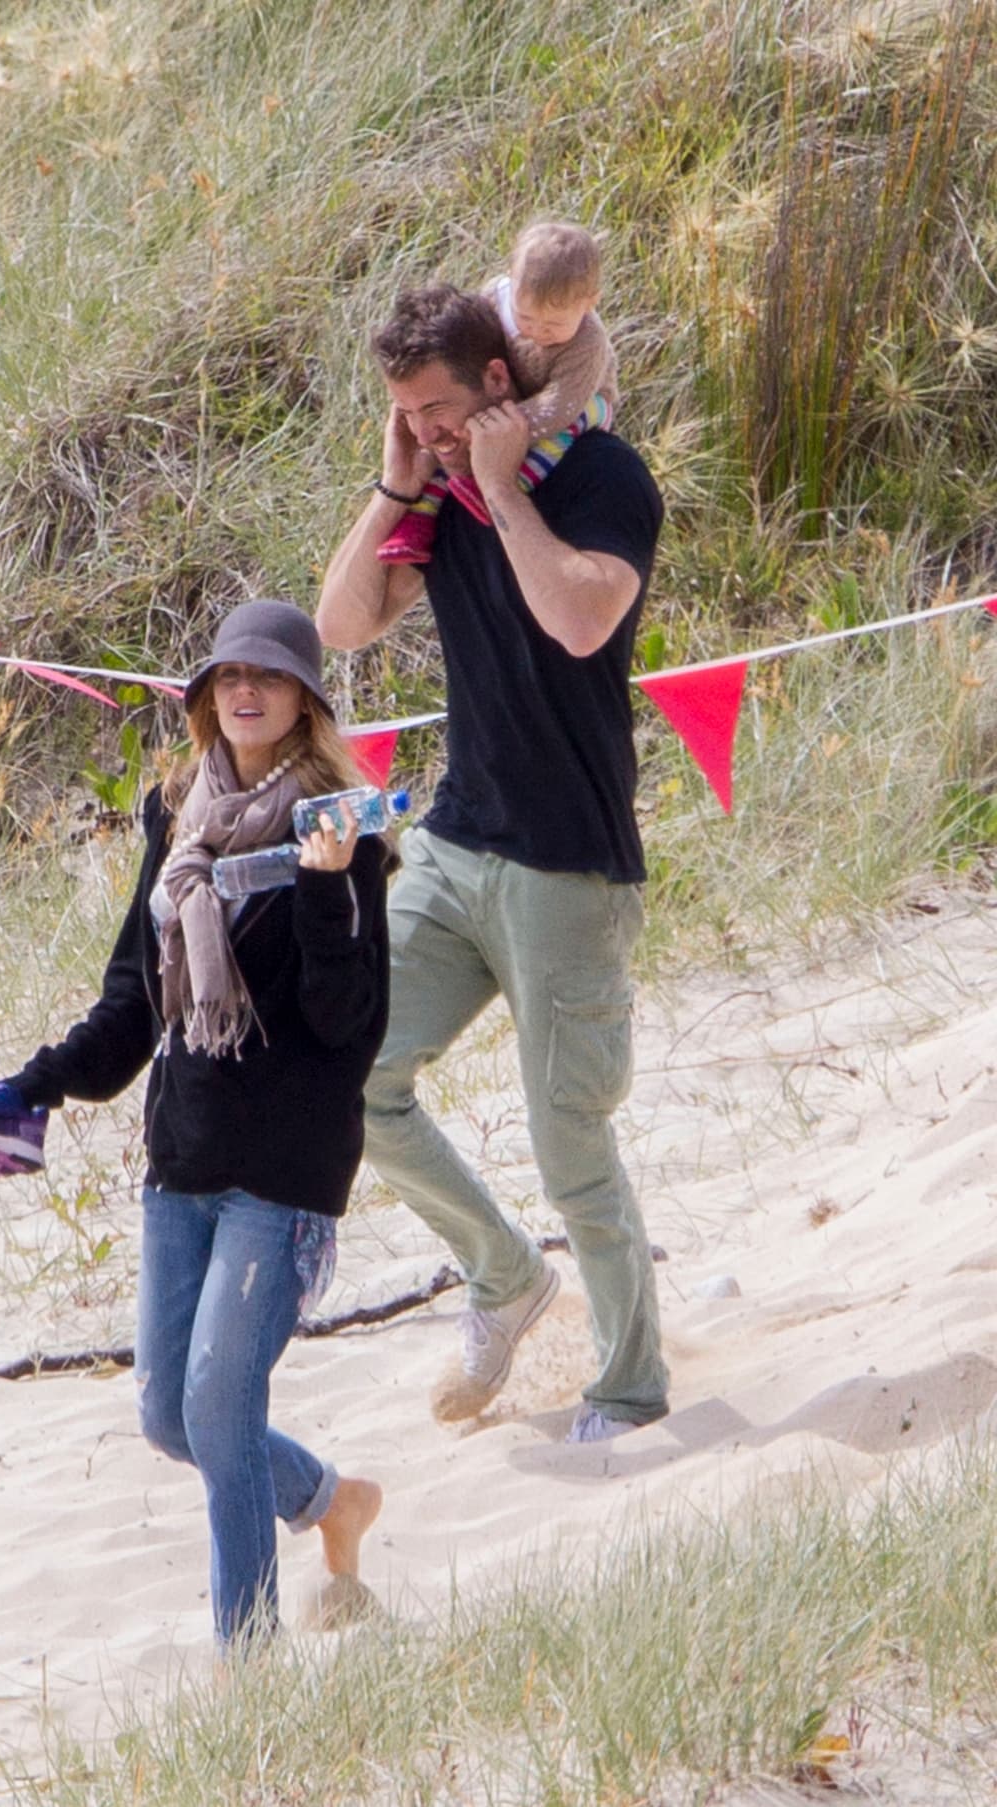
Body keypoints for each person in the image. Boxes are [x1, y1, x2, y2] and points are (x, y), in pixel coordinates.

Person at [0, 600, 391, 1653]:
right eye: (223, 677)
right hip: (184, 1156)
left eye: (266, 675)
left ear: (303, 699)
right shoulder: (180, 816)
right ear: (206, 699)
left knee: (217, 1403)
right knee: (170, 1416)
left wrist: (326, 890)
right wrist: (30, 1089)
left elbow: (350, 1026)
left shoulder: (343, 822)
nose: (242, 691)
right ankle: (332, 1501)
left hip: (284, 1168)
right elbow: (132, 998)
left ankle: (244, 1665)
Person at [317, 284, 669, 1444]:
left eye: (435, 408)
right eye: (403, 412)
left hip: (568, 865)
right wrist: (394, 479)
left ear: (499, 386)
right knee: (350, 1068)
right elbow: (341, 625)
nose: (425, 429)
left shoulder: (601, 479)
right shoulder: (436, 494)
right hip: (457, 842)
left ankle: (625, 1388)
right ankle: (504, 1275)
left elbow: (578, 620)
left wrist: (506, 489)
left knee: (571, 1146)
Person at [377, 222, 619, 566]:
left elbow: (559, 405)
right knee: (445, 436)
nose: (536, 332)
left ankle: (512, 484)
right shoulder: (495, 296)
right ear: (511, 281)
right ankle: (421, 516)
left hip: (579, 400)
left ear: (589, 303)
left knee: (566, 430)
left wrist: (502, 430)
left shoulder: (586, 344)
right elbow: (469, 338)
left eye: (553, 325)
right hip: (517, 389)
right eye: (526, 318)